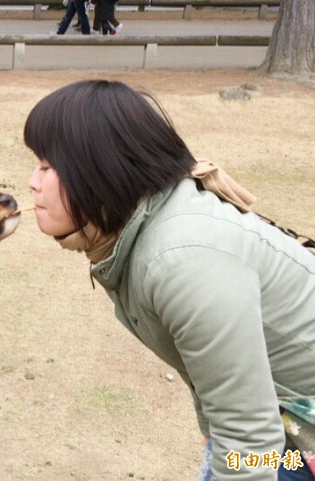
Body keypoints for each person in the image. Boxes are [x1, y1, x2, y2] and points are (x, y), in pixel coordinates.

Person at [24, 79, 315, 481]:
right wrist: (220, 436)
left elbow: (248, 441)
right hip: (279, 425)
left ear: (98, 169)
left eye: (46, 166)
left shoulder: (181, 260)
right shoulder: (139, 229)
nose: (32, 182)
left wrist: (227, 446)